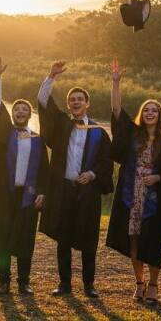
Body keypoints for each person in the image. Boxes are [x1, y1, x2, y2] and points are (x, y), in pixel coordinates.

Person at [37, 61, 113, 298]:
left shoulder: (99, 132)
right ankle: (65, 284)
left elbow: (106, 164)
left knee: (89, 238)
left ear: (87, 104)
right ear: (69, 105)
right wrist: (51, 76)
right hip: (64, 190)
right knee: (63, 238)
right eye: (72, 99)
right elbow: (42, 102)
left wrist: (92, 174)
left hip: (88, 192)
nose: (76, 102)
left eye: (80, 99)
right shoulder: (62, 125)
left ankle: (89, 285)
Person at [105, 60, 161, 304]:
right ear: (142, 115)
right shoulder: (133, 134)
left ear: (160, 115)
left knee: (153, 242)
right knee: (134, 240)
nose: (150, 113)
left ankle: (154, 284)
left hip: (156, 198)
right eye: (146, 110)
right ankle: (139, 283)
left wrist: (160, 177)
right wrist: (115, 83)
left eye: (154, 110)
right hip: (131, 194)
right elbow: (116, 112)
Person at [0, 56, 49, 295]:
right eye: (17, 109)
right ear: (12, 114)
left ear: (29, 115)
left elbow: (45, 170)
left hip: (28, 197)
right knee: (3, 237)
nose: (20, 112)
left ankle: (24, 281)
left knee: (25, 240)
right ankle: (4, 281)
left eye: (24, 109)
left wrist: (43, 192)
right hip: (5, 194)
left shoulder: (37, 139)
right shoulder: (3, 134)